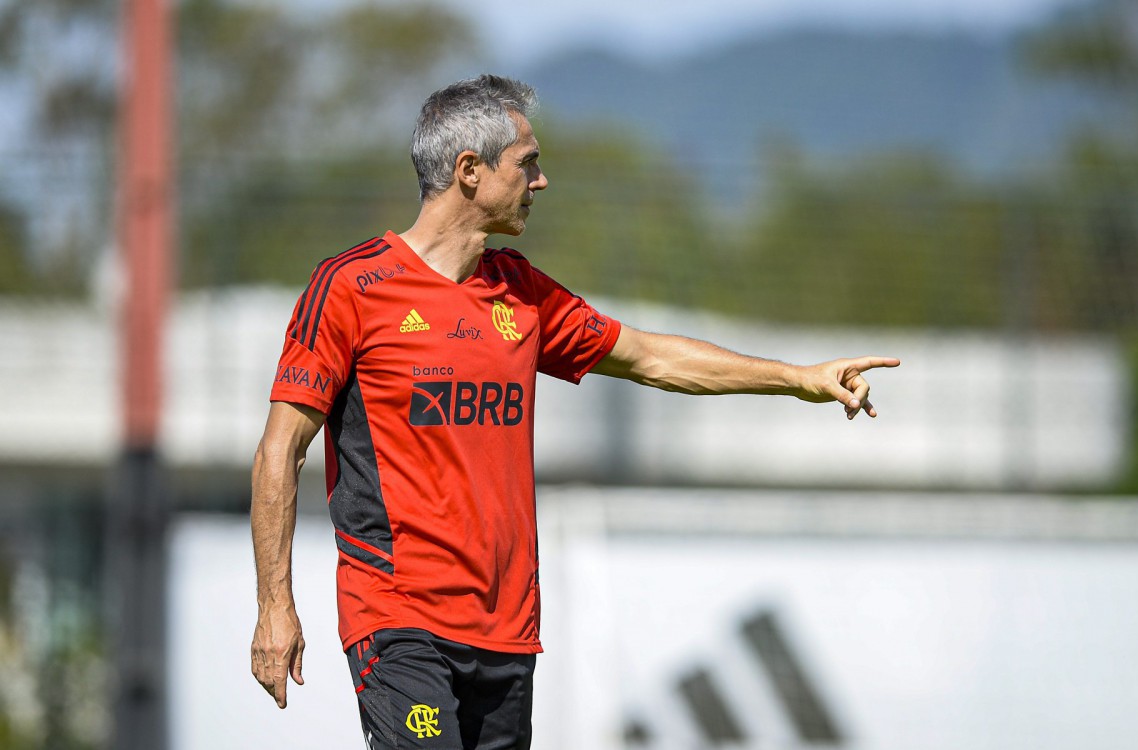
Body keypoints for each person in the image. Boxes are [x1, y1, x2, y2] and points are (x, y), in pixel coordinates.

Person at [250, 74, 899, 749]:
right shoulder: (353, 288)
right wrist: (275, 605)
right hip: (399, 617)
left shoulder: (521, 292)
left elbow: (652, 358)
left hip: (507, 627)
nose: (542, 180)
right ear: (470, 172)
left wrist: (796, 378)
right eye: (527, 163)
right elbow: (280, 450)